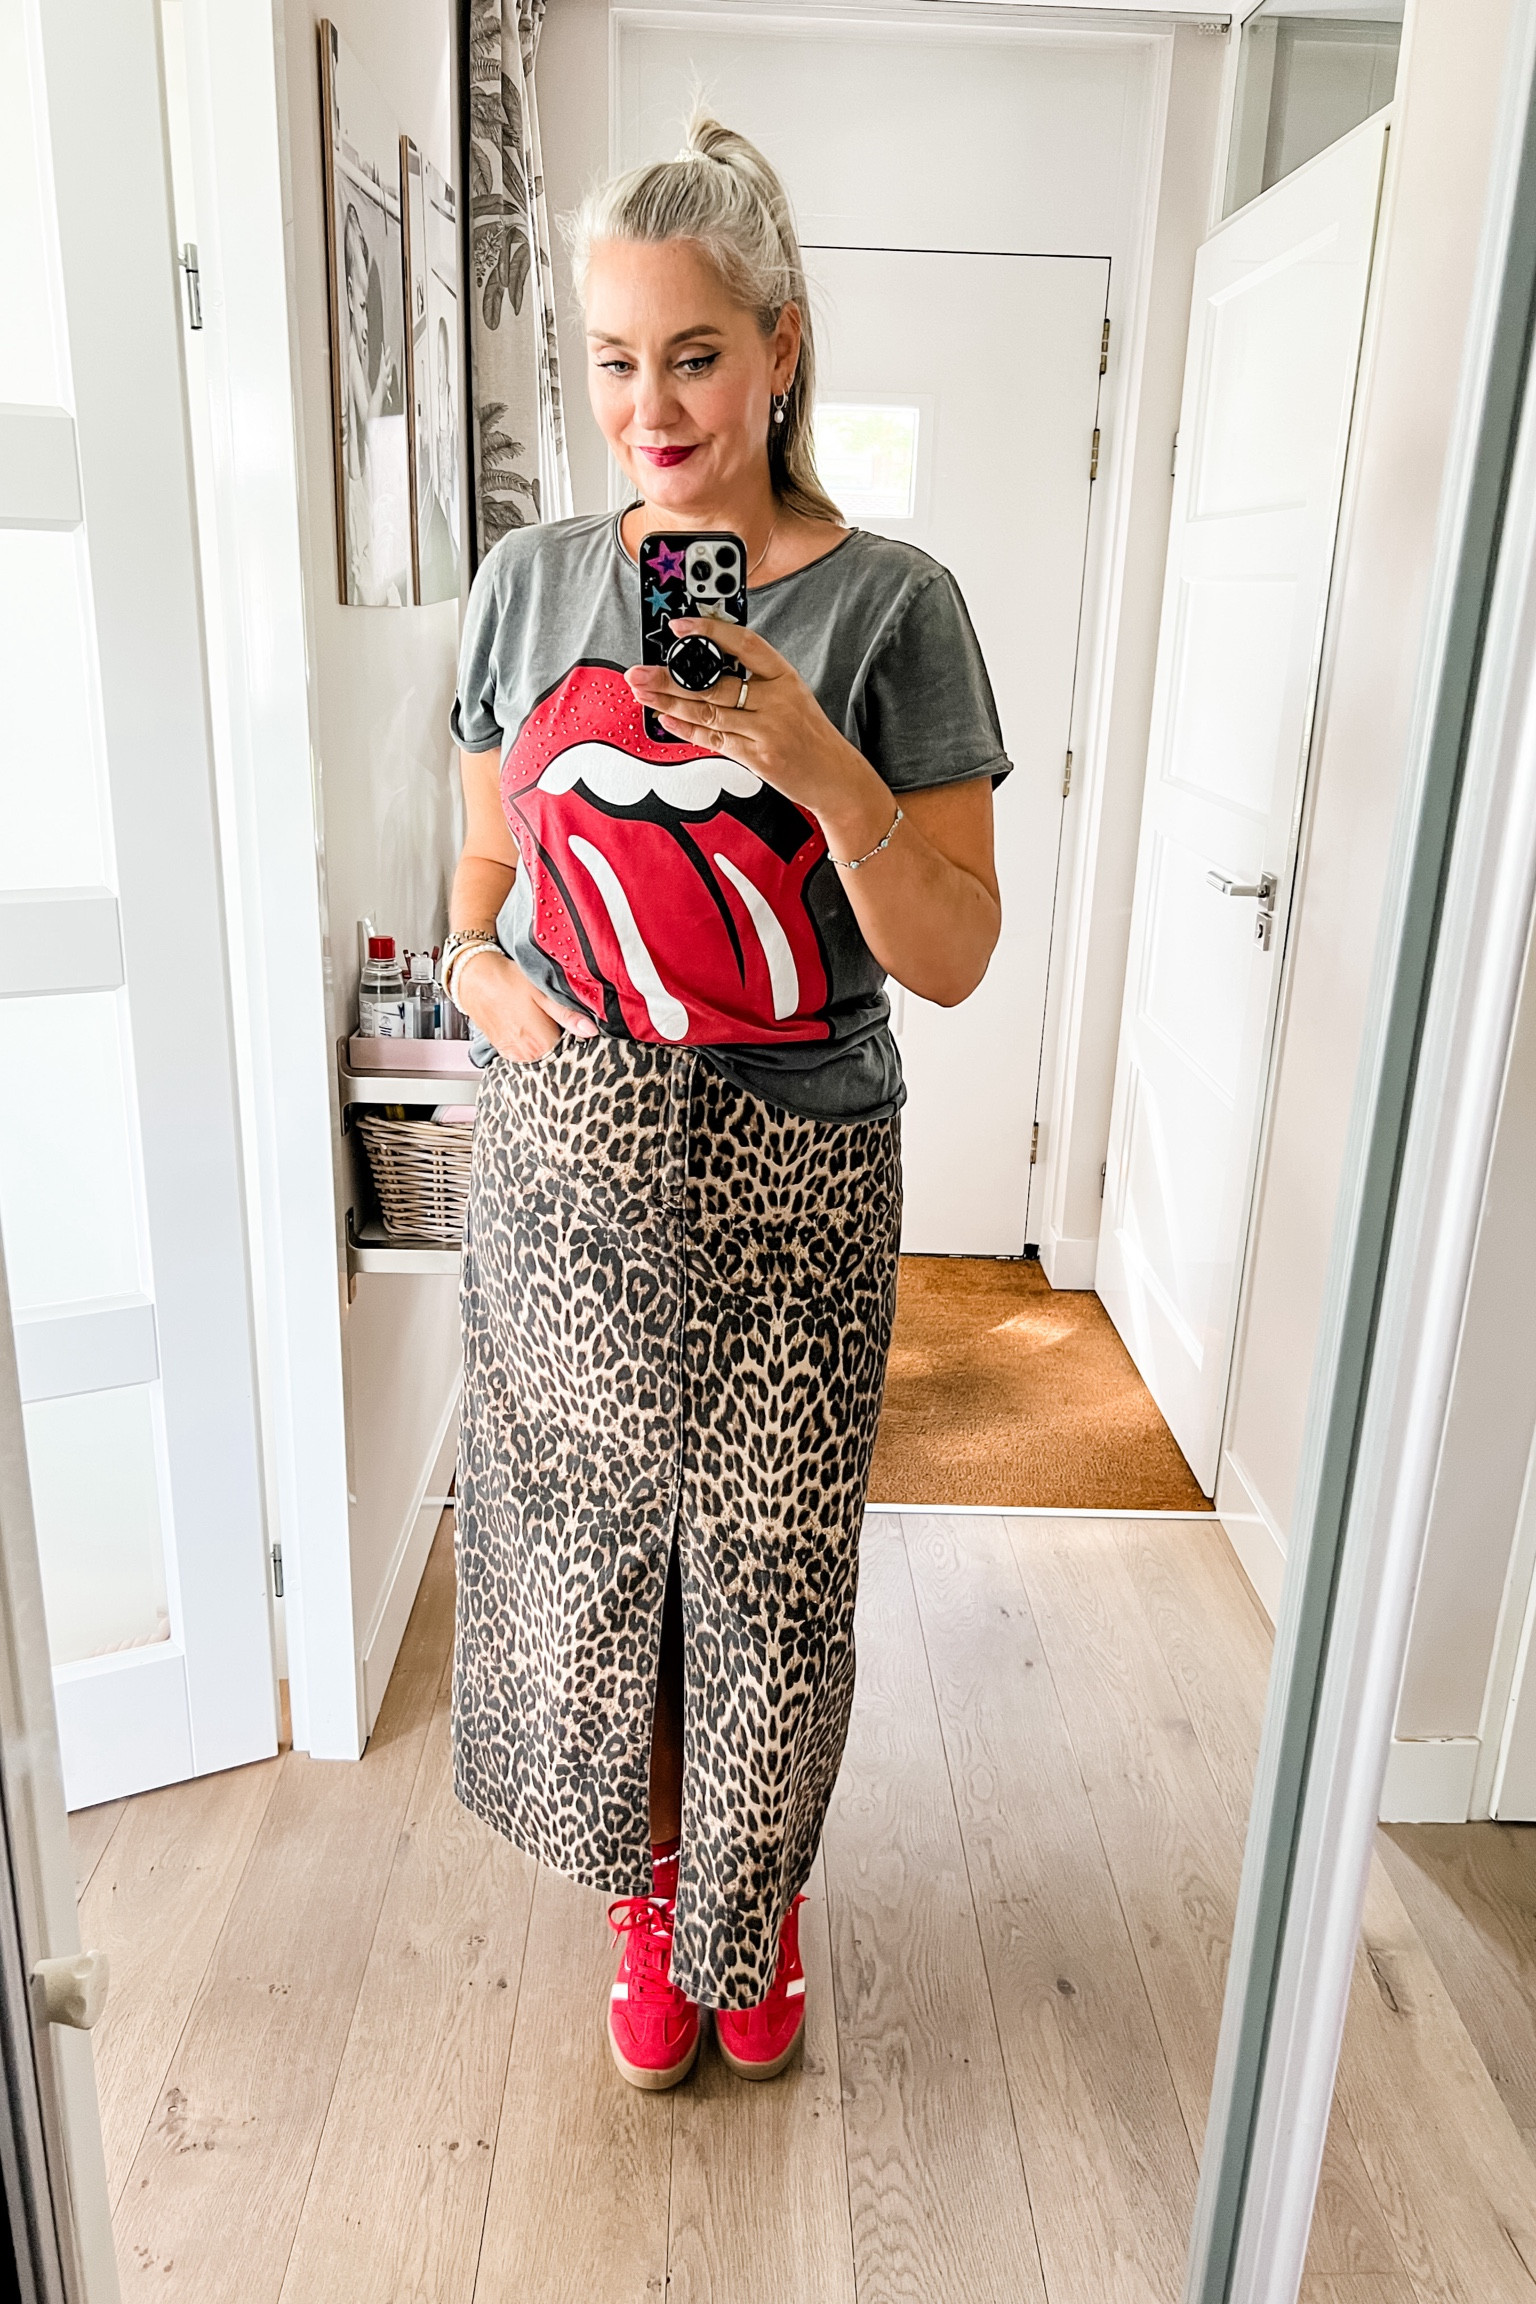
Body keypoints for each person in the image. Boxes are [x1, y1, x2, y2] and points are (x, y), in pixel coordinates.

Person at [444, 115, 1008, 2091]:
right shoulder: (526, 584)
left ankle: (748, 1909)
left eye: (693, 355)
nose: (652, 409)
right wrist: (479, 971)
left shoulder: (894, 608)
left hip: (796, 1158)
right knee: (596, 1563)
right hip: (569, 1148)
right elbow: (485, 848)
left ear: (781, 348)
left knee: (766, 1582)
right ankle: (653, 1897)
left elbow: (954, 952)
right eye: (613, 359)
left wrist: (813, 756)